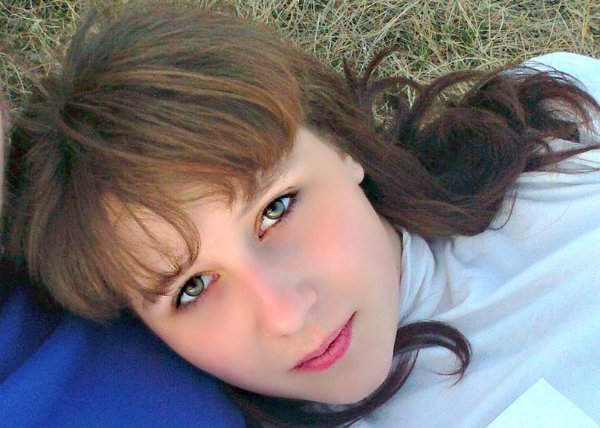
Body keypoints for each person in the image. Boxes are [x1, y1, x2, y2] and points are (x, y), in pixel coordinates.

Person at [2, 4, 599, 427]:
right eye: (193, 288)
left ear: (338, 144)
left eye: (276, 208)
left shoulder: (560, 130)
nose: (286, 314)